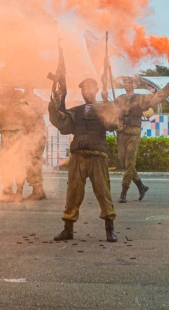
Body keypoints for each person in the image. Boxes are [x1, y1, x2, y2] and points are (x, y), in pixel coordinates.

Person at [50, 78, 120, 242]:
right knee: (73, 193)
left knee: (103, 192)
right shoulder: (76, 111)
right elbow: (62, 124)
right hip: (78, 157)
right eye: (83, 89)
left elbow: (112, 124)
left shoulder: (104, 108)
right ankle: (68, 229)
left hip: (97, 156)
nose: (86, 92)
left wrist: (108, 103)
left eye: (89, 88)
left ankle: (109, 229)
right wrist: (56, 102)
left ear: (96, 90)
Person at [114, 76, 169, 203]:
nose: (127, 84)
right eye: (125, 82)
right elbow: (110, 110)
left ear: (134, 85)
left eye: (129, 82)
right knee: (125, 164)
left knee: (130, 163)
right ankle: (141, 186)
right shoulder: (119, 99)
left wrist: (168, 88)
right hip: (121, 133)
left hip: (133, 133)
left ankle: (123, 192)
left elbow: (157, 97)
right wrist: (104, 97)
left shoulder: (141, 98)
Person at [21, 86, 48, 201]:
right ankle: (39, 190)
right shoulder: (38, 99)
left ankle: (37, 192)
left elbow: (28, 115)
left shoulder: (28, 100)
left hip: (34, 136)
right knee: (35, 162)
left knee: (32, 163)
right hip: (37, 135)